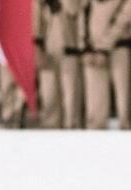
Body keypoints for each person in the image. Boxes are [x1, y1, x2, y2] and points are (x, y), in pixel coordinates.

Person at [83, 0, 131, 129]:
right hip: (93, 50)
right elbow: (83, 13)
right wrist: (86, 47)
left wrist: (104, 46)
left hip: (120, 46)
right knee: (94, 112)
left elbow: (126, 17)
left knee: (125, 109)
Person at [36, 0, 85, 129]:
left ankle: (72, 134)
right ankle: (49, 136)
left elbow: (74, 9)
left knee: (71, 100)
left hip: (70, 50)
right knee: (49, 99)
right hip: (47, 51)